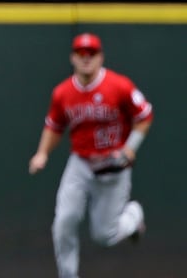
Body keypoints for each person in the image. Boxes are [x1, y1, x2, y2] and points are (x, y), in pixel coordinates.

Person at [28, 32, 152, 278]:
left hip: (113, 164)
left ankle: (133, 215)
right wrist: (42, 153)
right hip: (81, 163)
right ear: (72, 58)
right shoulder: (63, 92)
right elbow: (54, 125)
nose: (86, 59)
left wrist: (130, 148)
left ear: (100, 57)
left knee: (104, 236)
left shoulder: (119, 85)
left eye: (91, 54)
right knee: (64, 220)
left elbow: (144, 116)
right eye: (81, 54)